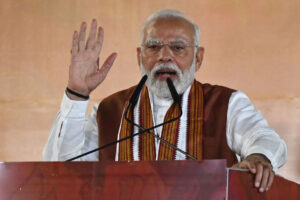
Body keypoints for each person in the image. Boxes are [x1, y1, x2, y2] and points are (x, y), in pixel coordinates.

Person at [43, 9, 287, 193]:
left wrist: (259, 157)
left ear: (198, 58)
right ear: (140, 56)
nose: (164, 56)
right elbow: (62, 170)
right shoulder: (109, 111)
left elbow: (264, 139)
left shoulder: (226, 103)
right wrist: (76, 93)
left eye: (178, 47)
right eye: (153, 47)